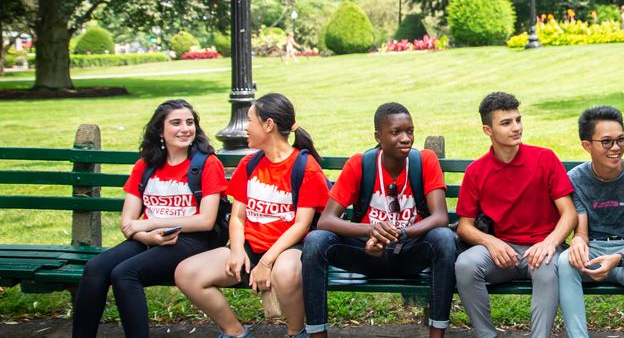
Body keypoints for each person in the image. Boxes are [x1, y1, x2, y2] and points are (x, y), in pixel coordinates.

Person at [175, 93, 329, 338]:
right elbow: (237, 217)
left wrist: (267, 262)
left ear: (268, 125)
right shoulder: (250, 164)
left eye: (250, 120)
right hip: (250, 249)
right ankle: (235, 332)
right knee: (186, 273)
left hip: (289, 250)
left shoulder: (305, 167)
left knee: (284, 272)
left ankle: (295, 332)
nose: (245, 127)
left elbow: (301, 225)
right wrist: (236, 250)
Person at [73, 100, 228, 338]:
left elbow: (206, 220)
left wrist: (152, 223)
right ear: (159, 130)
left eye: (190, 122)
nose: (185, 129)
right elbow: (128, 222)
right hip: (149, 238)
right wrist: (148, 236)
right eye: (175, 123)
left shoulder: (207, 164)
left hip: (192, 240)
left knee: (125, 273)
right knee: (95, 268)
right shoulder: (145, 166)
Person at [301, 102, 457, 338]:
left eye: (410, 131)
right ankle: (317, 334)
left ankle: (437, 335)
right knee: (315, 241)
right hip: (367, 253)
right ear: (378, 136)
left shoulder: (424, 161)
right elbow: (326, 221)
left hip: (408, 253)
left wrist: (402, 234)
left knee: (444, 238)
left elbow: (440, 217)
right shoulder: (360, 164)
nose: (406, 138)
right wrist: (371, 230)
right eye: (396, 132)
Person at [454, 92, 576, 338]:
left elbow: (569, 214)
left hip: (543, 247)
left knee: (545, 266)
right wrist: (491, 242)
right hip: (503, 252)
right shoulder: (476, 171)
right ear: (488, 130)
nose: (516, 128)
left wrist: (550, 243)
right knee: (465, 265)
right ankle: (486, 335)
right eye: (506, 123)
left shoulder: (545, 158)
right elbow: (464, 226)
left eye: (518, 120)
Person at [557, 106, 624, 338]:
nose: (616, 148)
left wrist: (619, 258)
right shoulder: (576, 179)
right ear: (587, 145)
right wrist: (578, 244)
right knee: (565, 262)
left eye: (621, 140)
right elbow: (581, 232)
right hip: (593, 250)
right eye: (607, 142)